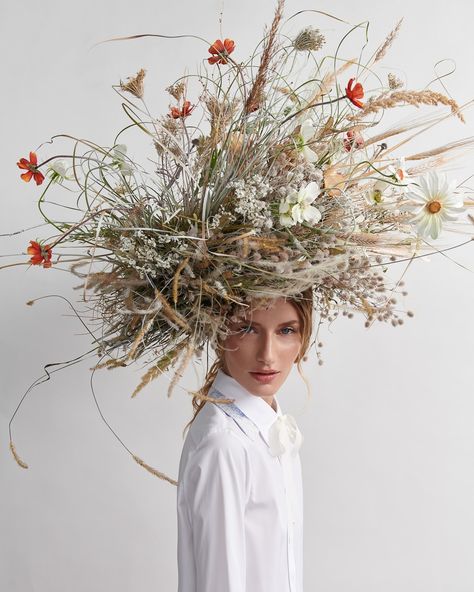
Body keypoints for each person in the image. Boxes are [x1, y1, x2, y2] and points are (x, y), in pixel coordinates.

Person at [177, 287, 313, 592]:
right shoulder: (225, 446)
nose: (267, 354)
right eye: (247, 329)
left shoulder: (274, 429)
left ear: (302, 338)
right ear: (218, 333)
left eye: (286, 330)